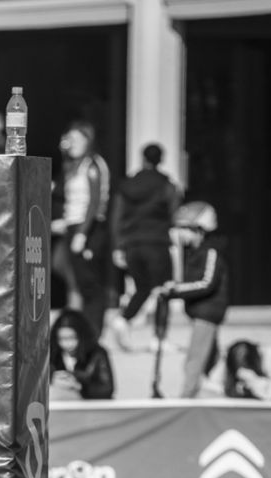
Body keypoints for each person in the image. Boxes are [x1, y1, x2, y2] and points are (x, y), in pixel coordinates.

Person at [108, 142, 180, 350]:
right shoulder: (167, 185)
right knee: (163, 290)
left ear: (143, 159)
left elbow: (116, 218)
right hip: (157, 243)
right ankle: (159, 337)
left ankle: (123, 319)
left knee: (142, 287)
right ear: (161, 160)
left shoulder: (126, 186)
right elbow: (174, 213)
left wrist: (118, 246)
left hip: (132, 244)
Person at [160, 201, 229, 399]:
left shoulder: (210, 252)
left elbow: (206, 283)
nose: (180, 233)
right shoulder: (194, 253)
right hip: (199, 312)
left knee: (194, 360)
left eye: (185, 229)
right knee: (211, 358)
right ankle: (214, 391)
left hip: (207, 312)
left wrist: (176, 290)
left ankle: (186, 396)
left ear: (200, 230)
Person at [51, 121, 111, 338]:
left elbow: (94, 203)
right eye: (70, 139)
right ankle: (79, 322)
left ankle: (94, 331)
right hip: (72, 225)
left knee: (89, 283)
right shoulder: (73, 165)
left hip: (88, 228)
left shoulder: (93, 165)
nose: (73, 144)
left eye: (77, 139)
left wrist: (83, 234)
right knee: (68, 272)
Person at [49, 310, 115, 401]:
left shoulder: (96, 353)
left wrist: (78, 386)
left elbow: (107, 389)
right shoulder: (52, 353)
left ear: (82, 336)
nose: (67, 343)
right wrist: (51, 380)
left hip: (91, 405)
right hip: (61, 403)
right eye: (61, 339)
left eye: (72, 337)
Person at [205, 339, 271, 401]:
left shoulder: (269, 354)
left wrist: (254, 382)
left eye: (245, 364)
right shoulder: (226, 358)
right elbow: (209, 389)